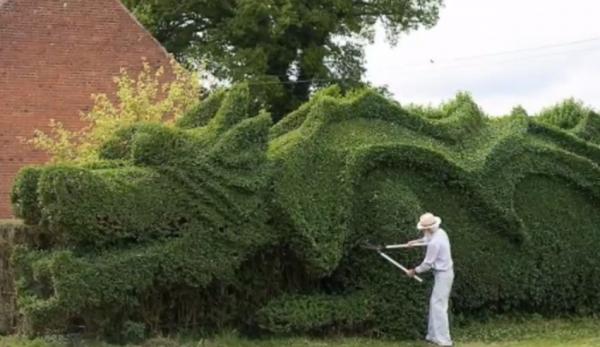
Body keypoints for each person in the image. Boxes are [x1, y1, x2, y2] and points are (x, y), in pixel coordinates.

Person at [407, 212, 454, 347]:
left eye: (423, 229)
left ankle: (444, 341)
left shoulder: (435, 242)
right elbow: (426, 239)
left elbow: (427, 264)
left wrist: (414, 271)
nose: (423, 231)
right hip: (442, 273)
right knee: (435, 304)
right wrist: (415, 242)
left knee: (439, 306)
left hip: (444, 274)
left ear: (427, 228)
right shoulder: (440, 232)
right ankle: (433, 337)